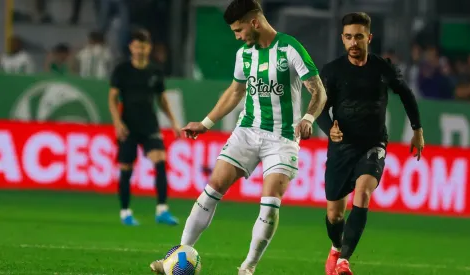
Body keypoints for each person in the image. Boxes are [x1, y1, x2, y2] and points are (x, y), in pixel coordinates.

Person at [149, 0, 327, 274]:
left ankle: (247, 268)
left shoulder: (290, 48)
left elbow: (318, 91)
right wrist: (206, 123)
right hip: (247, 130)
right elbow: (235, 92)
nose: (237, 36)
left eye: (238, 29)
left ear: (254, 22)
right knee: (213, 186)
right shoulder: (245, 54)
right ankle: (177, 255)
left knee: (269, 205)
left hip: (282, 139)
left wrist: (308, 118)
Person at [317, 13, 424, 275]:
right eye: (349, 37)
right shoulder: (332, 71)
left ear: (369, 37)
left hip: (373, 144)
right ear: (342, 39)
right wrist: (328, 127)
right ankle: (336, 247)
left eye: (359, 36)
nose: (354, 42)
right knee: (334, 215)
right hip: (342, 148)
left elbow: (406, 94)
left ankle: (344, 261)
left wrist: (417, 129)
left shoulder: (382, 68)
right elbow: (320, 107)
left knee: (363, 193)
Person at [108, 29, 181, 226]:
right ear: (131, 47)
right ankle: (125, 213)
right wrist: (117, 123)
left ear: (149, 48)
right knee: (126, 168)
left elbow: (162, 99)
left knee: (160, 161)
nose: (140, 50)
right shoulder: (122, 70)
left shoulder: (155, 72)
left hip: (149, 124)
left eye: (144, 46)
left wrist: (174, 122)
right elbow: (113, 98)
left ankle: (162, 210)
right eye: (137, 46)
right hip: (128, 126)